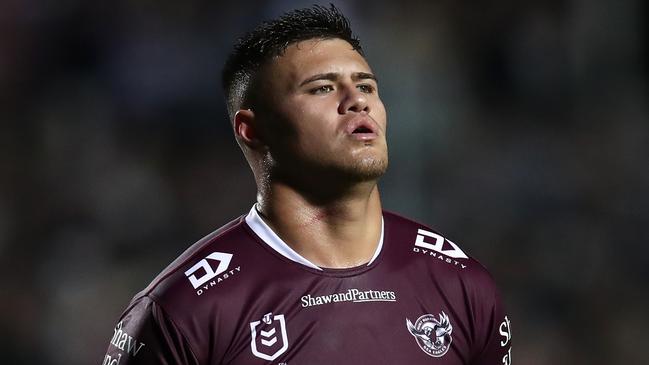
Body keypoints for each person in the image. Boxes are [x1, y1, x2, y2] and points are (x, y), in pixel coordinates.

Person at [102, 5, 512, 365]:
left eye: (367, 85)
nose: (357, 100)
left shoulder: (460, 283)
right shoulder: (184, 311)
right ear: (252, 130)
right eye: (322, 88)